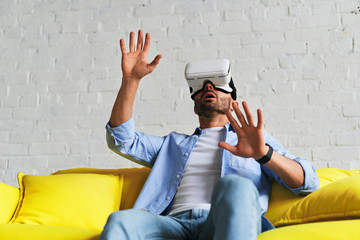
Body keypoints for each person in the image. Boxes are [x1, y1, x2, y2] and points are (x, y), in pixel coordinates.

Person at [100, 30, 320, 240]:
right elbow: (122, 139)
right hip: (171, 225)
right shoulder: (173, 144)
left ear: (233, 102)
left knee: (236, 185)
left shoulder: (253, 140)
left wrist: (263, 153)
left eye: (217, 85)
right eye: (202, 87)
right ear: (195, 107)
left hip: (221, 223)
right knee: (121, 220)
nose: (208, 87)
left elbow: (307, 182)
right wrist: (131, 80)